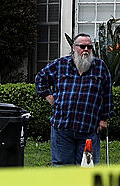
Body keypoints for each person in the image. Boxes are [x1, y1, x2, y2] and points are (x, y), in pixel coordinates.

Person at [35, 33, 113, 166]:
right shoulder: (60, 64)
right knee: (62, 167)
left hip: (89, 127)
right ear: (73, 47)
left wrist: (104, 119)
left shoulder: (100, 67)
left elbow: (107, 95)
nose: (86, 50)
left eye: (89, 47)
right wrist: (49, 97)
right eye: (82, 46)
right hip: (62, 127)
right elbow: (40, 78)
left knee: (87, 167)